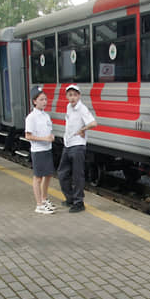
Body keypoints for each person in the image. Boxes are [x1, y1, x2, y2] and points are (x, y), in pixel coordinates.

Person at [57, 84, 97, 213]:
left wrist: (83, 129)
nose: (72, 97)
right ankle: (70, 198)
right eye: (70, 95)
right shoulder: (69, 107)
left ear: (79, 96)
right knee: (62, 173)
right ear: (67, 97)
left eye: (75, 95)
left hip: (78, 145)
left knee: (77, 175)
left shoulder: (82, 108)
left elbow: (93, 123)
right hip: (68, 144)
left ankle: (79, 202)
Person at [25, 86, 56, 214]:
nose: (44, 101)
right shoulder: (31, 117)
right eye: (41, 99)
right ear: (34, 101)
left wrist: (50, 138)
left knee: (48, 175)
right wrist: (44, 139)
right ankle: (39, 205)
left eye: (45, 99)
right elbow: (28, 135)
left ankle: (44, 199)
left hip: (47, 149)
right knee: (38, 178)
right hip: (38, 151)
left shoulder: (46, 116)